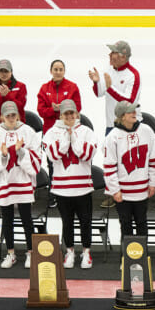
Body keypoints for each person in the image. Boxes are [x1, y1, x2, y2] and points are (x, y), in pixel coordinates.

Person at [0, 100, 41, 269]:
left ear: (18, 115)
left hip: (22, 181)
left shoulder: (28, 132)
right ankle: (11, 253)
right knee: (7, 219)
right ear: (1, 116)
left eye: (13, 115)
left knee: (26, 219)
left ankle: (31, 252)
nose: (11, 118)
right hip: (4, 182)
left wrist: (21, 151)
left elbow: (36, 162)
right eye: (7, 115)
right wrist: (2, 156)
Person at [43, 98, 98, 269]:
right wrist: (66, 139)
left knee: (85, 221)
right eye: (66, 113)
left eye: (72, 113)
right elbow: (53, 155)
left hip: (82, 187)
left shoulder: (87, 131)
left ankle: (86, 252)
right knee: (67, 222)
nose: (69, 116)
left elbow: (87, 154)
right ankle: (70, 252)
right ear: (61, 115)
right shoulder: (51, 133)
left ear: (77, 113)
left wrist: (73, 138)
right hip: (62, 188)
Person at [102, 100, 155, 238]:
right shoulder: (112, 137)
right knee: (125, 224)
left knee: (142, 222)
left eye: (135, 110)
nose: (135, 113)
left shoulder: (147, 131)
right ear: (122, 115)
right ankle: (127, 258)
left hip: (142, 190)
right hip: (122, 192)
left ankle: (143, 257)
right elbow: (109, 166)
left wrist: (153, 183)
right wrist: (115, 190)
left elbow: (154, 159)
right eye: (131, 111)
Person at [37, 59, 81, 134]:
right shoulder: (44, 88)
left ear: (64, 71)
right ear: (51, 71)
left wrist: (64, 109)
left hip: (68, 129)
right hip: (50, 130)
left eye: (61, 70)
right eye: (55, 70)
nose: (58, 72)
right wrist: (53, 110)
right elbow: (41, 110)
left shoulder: (72, 87)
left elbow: (78, 107)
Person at [0, 59, 27, 129]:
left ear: (11, 72)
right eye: (1, 71)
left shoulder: (20, 86)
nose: (3, 74)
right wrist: (1, 97)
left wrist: (8, 95)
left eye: (6, 71)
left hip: (17, 127)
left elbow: (21, 106)